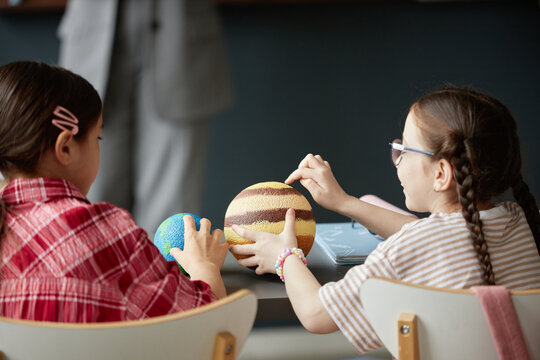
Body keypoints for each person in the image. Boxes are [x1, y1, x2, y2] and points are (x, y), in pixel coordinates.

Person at [230, 86, 540, 354]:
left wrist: (284, 257)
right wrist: (344, 202)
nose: (397, 159)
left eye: (403, 149)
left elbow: (316, 315)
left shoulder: (413, 247)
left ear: (442, 173)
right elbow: (434, 238)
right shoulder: (523, 222)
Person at [0, 61, 229, 323]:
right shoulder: (111, 231)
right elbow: (204, 326)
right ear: (65, 148)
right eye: (97, 138)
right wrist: (204, 267)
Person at [57, 0, 233, 234]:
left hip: (180, 32)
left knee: (171, 212)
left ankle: (164, 270)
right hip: (92, 34)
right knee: (94, 196)